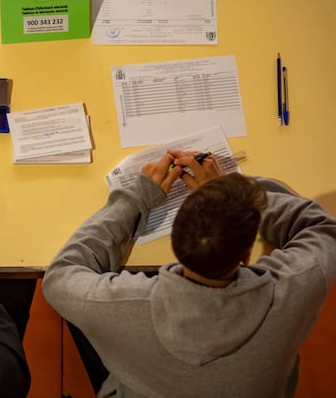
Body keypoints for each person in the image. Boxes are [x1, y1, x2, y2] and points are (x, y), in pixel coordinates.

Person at [42, 150, 336, 397]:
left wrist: (135, 198)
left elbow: (61, 273)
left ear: (176, 244)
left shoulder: (116, 304)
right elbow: (324, 230)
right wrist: (230, 194)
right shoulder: (293, 290)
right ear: (246, 256)